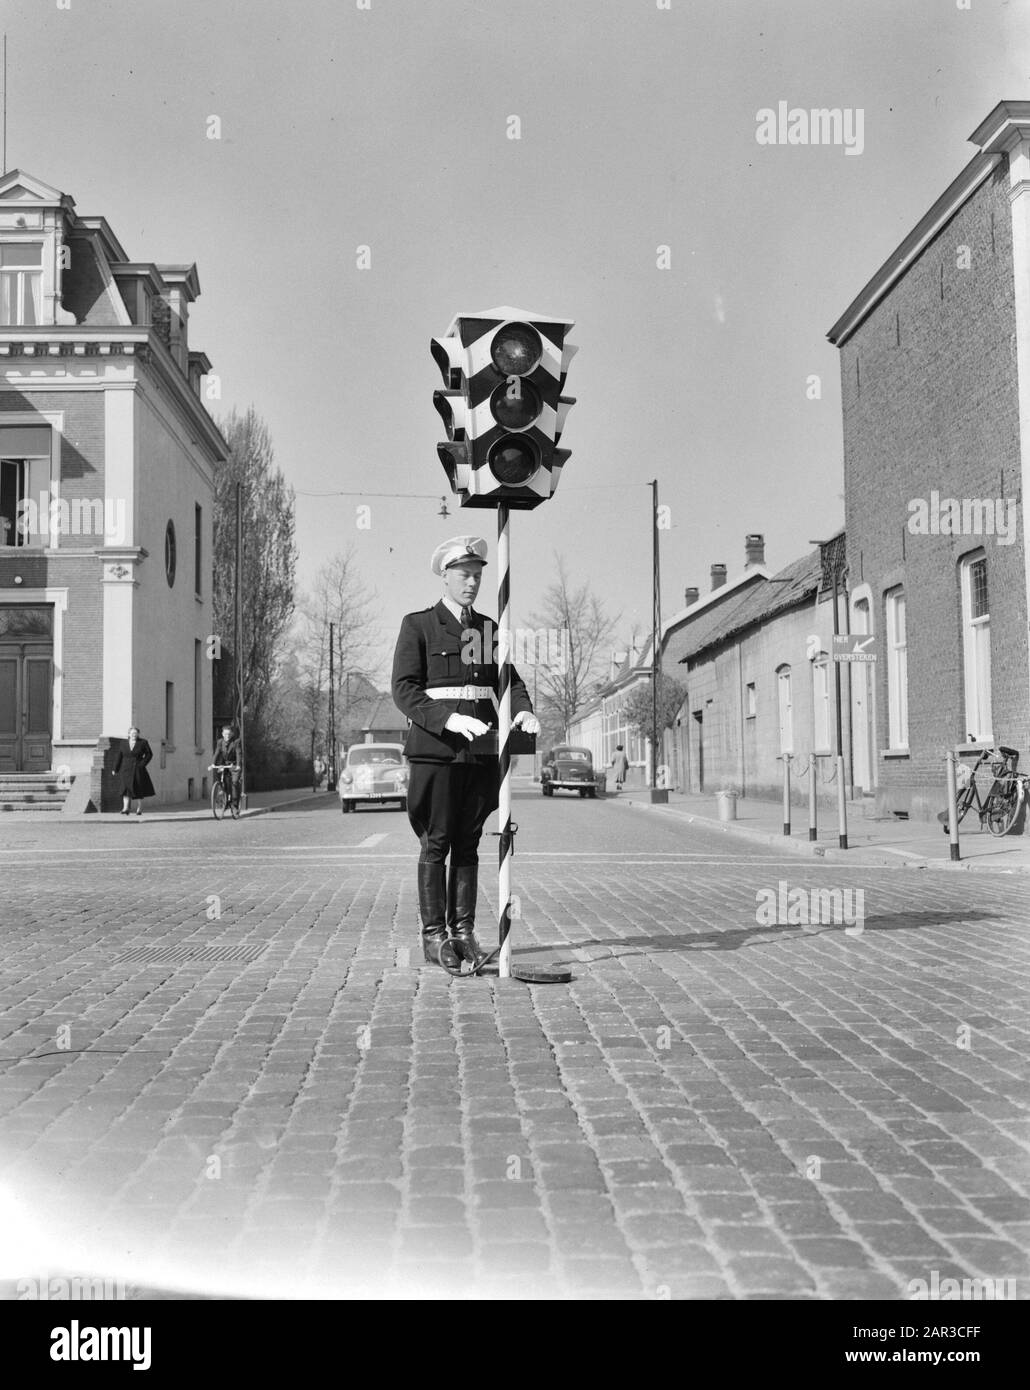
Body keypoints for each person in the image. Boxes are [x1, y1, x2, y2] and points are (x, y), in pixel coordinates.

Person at [392, 535, 540, 975]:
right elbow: (404, 689)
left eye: (477, 575)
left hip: (479, 753)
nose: (472, 583)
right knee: (436, 841)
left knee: (469, 842)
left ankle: (463, 932)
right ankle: (434, 937)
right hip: (436, 752)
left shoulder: (487, 630)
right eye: (463, 575)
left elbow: (507, 681)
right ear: (446, 576)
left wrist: (525, 711)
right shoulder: (418, 625)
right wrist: (446, 720)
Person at [114, 726, 155, 816]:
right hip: (126, 769)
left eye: (136, 733)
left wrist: (142, 764)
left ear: (138, 734)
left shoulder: (143, 742)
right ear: (129, 734)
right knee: (125, 789)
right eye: (132, 733)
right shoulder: (123, 743)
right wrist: (115, 768)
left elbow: (149, 754)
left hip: (138, 769)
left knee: (138, 788)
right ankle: (125, 808)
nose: (134, 735)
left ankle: (139, 807)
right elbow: (119, 756)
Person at [212, 724, 242, 809]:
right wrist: (213, 764)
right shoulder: (220, 742)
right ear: (222, 734)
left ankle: (235, 804)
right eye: (225, 734)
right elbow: (217, 753)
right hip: (225, 764)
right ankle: (223, 794)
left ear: (231, 734)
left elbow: (238, 754)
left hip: (234, 764)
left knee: (234, 782)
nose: (227, 736)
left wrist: (238, 765)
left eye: (229, 734)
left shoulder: (236, 742)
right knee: (219, 775)